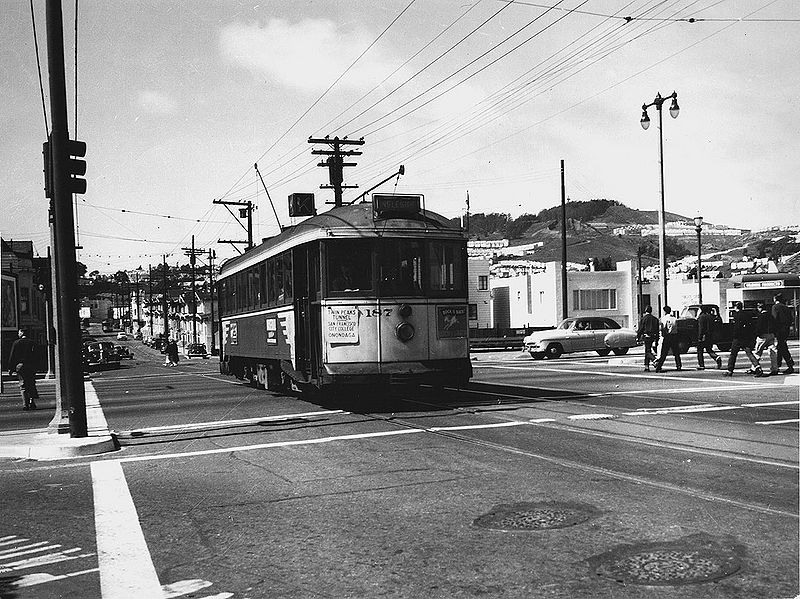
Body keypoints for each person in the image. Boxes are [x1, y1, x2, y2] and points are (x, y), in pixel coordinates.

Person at [724, 302, 762, 377]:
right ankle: (758, 367)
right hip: (746, 337)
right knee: (749, 353)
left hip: (738, 338)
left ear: (736, 307)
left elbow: (736, 327)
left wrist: (734, 336)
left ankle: (730, 370)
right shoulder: (747, 314)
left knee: (733, 354)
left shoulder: (736, 315)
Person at [8, 329, 39, 410]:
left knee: (23, 385)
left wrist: (10, 368)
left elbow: (12, 356)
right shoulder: (32, 342)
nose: (18, 334)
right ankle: (32, 401)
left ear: (21, 333)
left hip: (20, 366)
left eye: (19, 332)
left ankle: (25, 404)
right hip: (31, 366)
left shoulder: (16, 343)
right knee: (31, 383)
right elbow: (37, 355)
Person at [771, 293, 795, 375]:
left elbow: (774, 319)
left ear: (775, 299)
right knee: (781, 346)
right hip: (786, 330)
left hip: (779, 330)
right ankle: (783, 364)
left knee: (781, 347)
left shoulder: (775, 307)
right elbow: (791, 319)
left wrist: (773, 330)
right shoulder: (786, 308)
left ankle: (779, 365)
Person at [753, 301, 778, 376]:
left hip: (763, 336)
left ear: (759, 308)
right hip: (771, 334)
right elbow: (775, 325)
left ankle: (754, 368)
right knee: (772, 352)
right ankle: (774, 368)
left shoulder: (761, 316)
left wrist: (757, 334)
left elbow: (759, 327)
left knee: (757, 352)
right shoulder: (770, 315)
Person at [653, 306, 681, 372]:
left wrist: (663, 335)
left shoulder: (664, 318)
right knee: (676, 352)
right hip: (674, 336)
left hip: (667, 336)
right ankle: (679, 365)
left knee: (664, 353)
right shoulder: (674, 318)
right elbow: (676, 327)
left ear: (665, 311)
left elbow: (663, 328)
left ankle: (659, 366)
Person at [696, 305, 722, 370]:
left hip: (704, 336)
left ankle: (701, 365)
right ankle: (716, 357)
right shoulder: (711, 317)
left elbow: (701, 328)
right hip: (710, 335)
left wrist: (700, 337)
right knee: (709, 349)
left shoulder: (701, 317)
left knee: (699, 350)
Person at [636, 306, 659, 372]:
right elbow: (657, 330)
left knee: (647, 351)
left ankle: (654, 359)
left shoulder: (644, 319)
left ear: (645, 310)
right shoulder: (655, 319)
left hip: (646, 336)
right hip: (653, 336)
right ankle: (646, 367)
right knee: (647, 351)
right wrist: (656, 339)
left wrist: (638, 337)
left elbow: (640, 329)